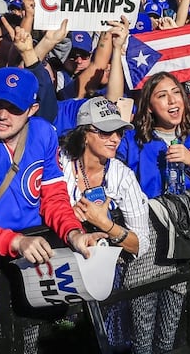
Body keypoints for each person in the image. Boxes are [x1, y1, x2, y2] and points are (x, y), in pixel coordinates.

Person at [116, 71, 190, 354]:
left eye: (176, 93)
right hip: (146, 249)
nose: (172, 101)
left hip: (184, 246)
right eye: (162, 95)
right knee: (141, 337)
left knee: (168, 337)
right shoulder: (133, 141)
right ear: (148, 106)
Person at [0, 67, 106, 262]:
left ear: (32, 109)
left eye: (14, 108)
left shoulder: (44, 132)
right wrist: (17, 242)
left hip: (35, 240)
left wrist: (74, 232)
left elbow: (53, 197)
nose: (3, 115)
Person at [60, 96, 148, 258]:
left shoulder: (122, 176)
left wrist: (104, 223)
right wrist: (66, 216)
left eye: (119, 132)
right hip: (58, 258)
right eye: (106, 132)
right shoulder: (59, 161)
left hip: (102, 264)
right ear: (85, 134)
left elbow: (141, 245)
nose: (115, 139)